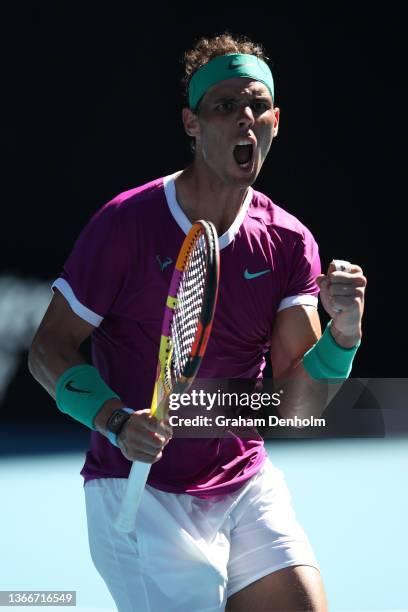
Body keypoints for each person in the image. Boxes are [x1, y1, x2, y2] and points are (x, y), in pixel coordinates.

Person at [28, 33, 366, 612]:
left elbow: (294, 407)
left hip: (241, 483)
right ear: (192, 123)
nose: (245, 119)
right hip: (138, 498)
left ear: (276, 121)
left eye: (258, 106)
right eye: (224, 106)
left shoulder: (289, 243)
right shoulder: (125, 225)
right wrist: (116, 421)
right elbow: (48, 350)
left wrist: (344, 336)